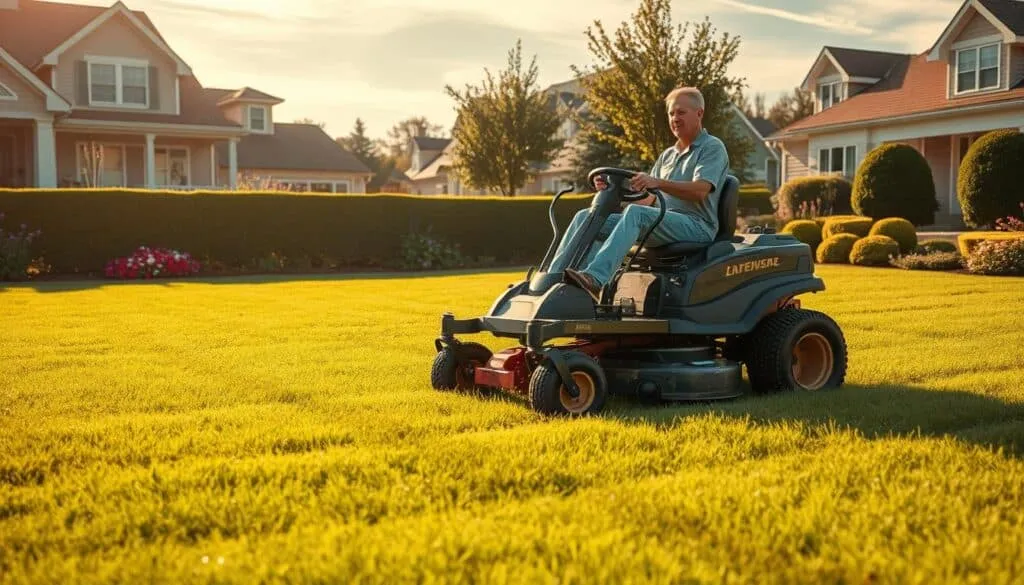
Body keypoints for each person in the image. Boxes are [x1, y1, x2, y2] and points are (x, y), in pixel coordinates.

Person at [553, 86, 730, 300]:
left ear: (699, 113)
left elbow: (701, 191)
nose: (675, 118)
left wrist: (657, 182)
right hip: (663, 222)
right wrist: (613, 188)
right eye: (672, 113)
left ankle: (596, 279)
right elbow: (649, 199)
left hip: (698, 226)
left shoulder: (712, 147)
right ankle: (554, 279)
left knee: (637, 214)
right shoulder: (667, 156)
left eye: (681, 112)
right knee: (587, 217)